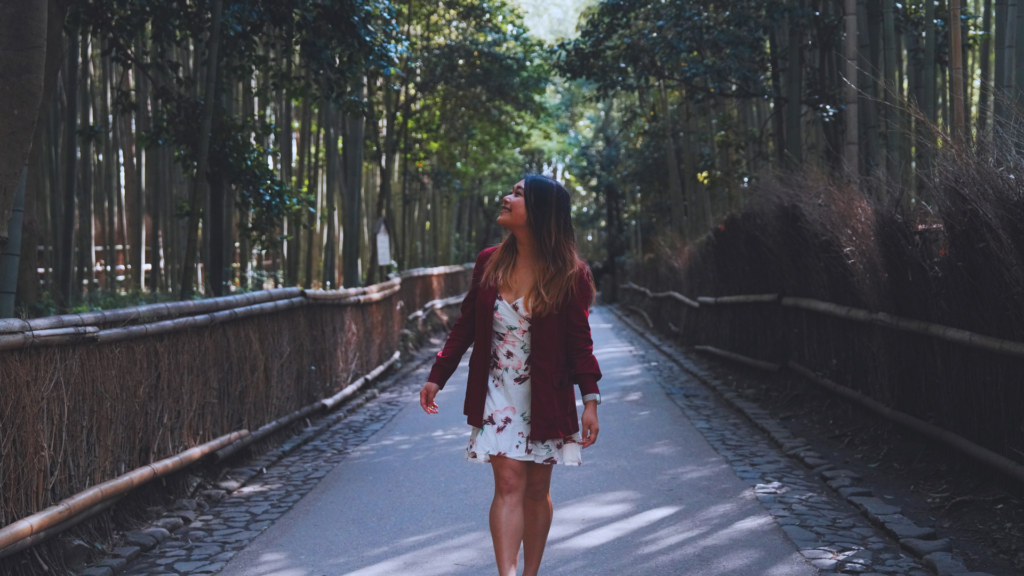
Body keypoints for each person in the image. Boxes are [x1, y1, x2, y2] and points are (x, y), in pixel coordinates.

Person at [419, 174, 602, 576]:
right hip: (497, 392)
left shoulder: (569, 274)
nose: (506, 197)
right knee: (507, 484)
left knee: (536, 490)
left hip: (546, 397)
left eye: (518, 194)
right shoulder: (489, 261)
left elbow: (580, 343)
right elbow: (466, 325)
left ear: (539, 211)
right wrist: (438, 375)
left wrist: (590, 400)